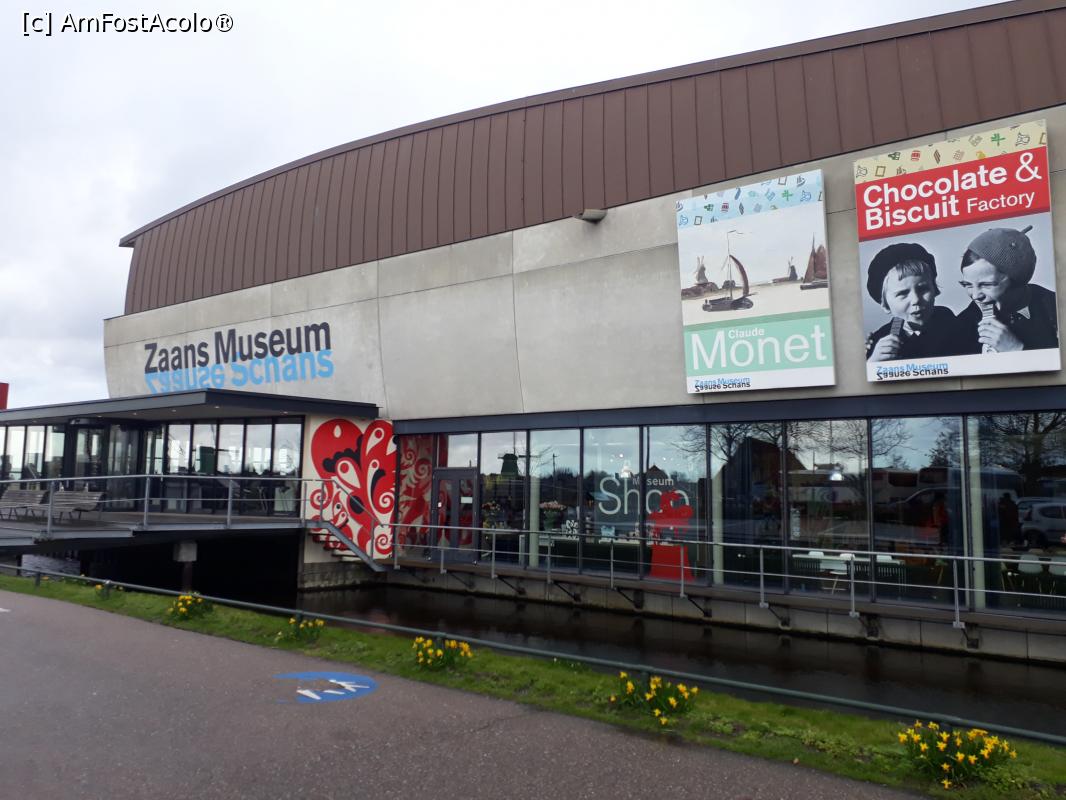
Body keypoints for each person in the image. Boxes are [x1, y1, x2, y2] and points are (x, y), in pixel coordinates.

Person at [953, 226, 1058, 354]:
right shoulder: (963, 325)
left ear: (1018, 280)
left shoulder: (1054, 307)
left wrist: (1016, 349)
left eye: (986, 284)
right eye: (968, 285)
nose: (975, 296)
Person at [865, 242, 960, 361]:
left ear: (934, 289)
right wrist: (873, 362)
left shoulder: (950, 323)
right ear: (886, 305)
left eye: (923, 289)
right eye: (902, 294)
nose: (916, 300)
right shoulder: (879, 341)